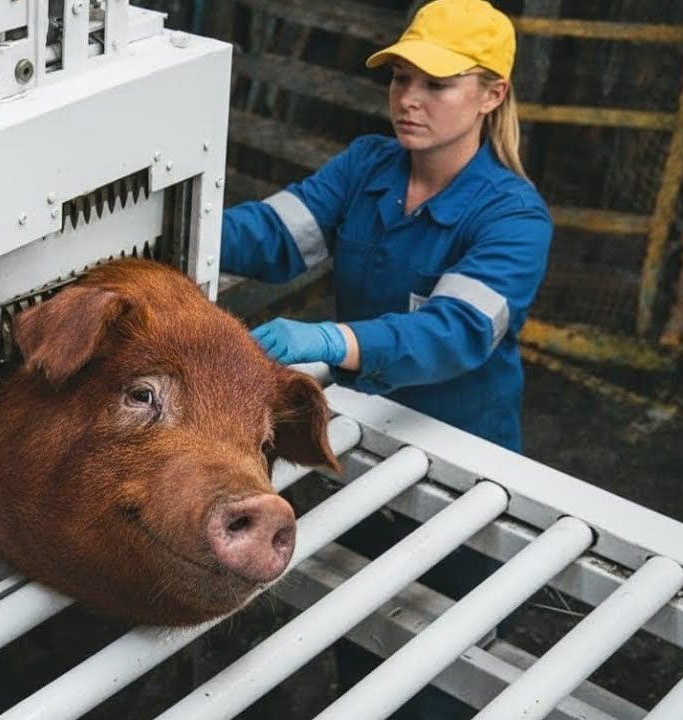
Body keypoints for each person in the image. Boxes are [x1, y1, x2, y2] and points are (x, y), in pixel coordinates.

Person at [220, 0, 552, 717]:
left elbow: (455, 332)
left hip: (462, 467)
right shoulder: (369, 165)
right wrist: (170, 223)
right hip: (364, 441)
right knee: (360, 627)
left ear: (491, 94)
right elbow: (273, 233)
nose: (408, 99)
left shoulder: (513, 217)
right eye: (401, 78)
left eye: (437, 84)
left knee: (440, 667)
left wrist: (330, 340)